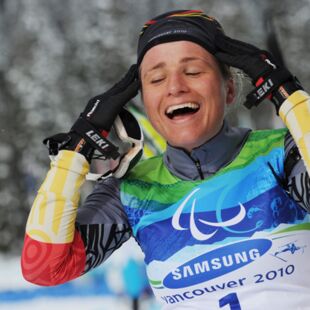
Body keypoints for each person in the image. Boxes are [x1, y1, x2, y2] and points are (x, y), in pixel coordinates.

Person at [21, 9, 310, 309]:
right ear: (145, 100)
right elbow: (43, 266)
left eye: (194, 72)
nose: (175, 87)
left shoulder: (283, 155)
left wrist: (289, 96)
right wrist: (78, 146)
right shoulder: (132, 192)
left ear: (229, 88)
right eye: (156, 79)